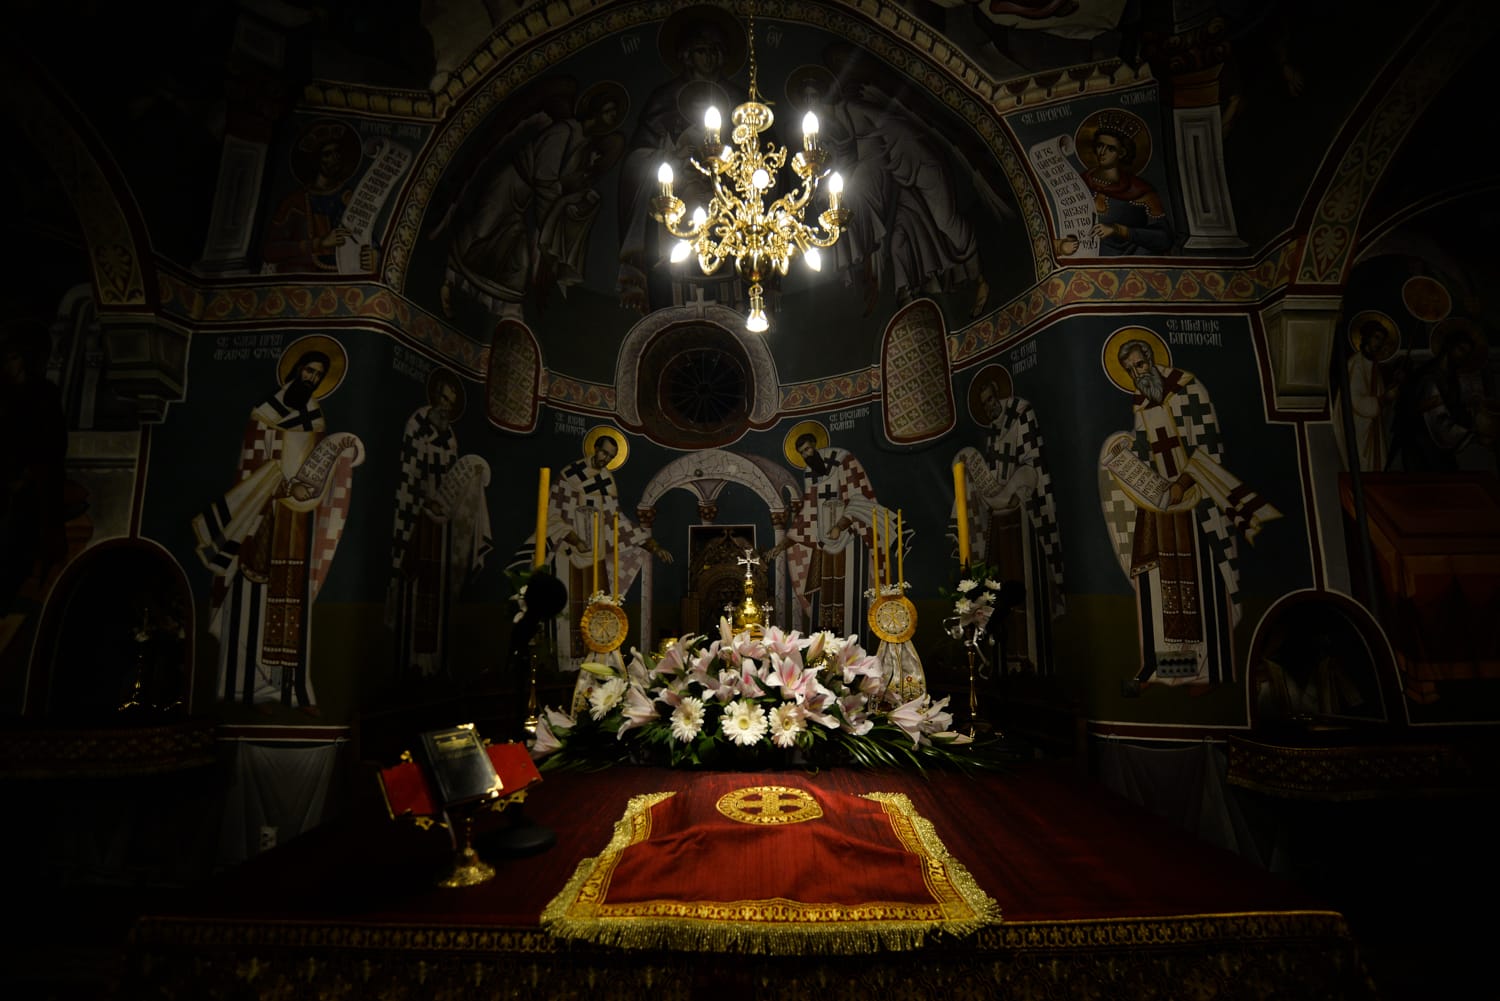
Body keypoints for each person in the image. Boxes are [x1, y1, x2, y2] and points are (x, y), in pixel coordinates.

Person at [1097, 331, 1280, 690]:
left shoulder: (1188, 389)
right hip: (1162, 506)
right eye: (1131, 370)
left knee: (1203, 583)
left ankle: (1210, 670)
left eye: (1140, 365)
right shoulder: (1142, 402)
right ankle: (1172, 668)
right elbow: (1146, 446)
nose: (1137, 374)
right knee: (1161, 585)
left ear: (1152, 360)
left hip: (1197, 503)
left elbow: (1207, 445)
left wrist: (1182, 483)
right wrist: (1125, 455)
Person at [191, 336, 365, 711]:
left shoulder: (315, 416)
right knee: (249, 600)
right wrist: (284, 487)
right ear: (296, 369)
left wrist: (336, 461)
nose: (311, 378)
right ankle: (241, 686)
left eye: (318, 375)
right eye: (308, 371)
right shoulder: (265, 412)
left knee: (290, 601)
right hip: (260, 514)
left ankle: (286, 688)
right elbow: (253, 465)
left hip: (297, 520)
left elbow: (317, 467)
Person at [433, 79, 628, 321]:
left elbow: (564, 184)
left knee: (518, 260)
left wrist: (579, 198)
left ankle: (509, 316)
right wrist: (549, 221)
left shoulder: (583, 146)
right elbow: (544, 178)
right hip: (509, 184)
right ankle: (445, 281)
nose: (611, 118)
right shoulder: (563, 130)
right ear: (596, 108)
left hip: (524, 199)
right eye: (610, 110)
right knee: (480, 230)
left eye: (615, 115)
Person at [513, 427, 672, 678]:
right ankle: (567, 668)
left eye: (610, 457)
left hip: (595, 557)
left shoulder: (606, 481)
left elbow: (616, 522)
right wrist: (575, 540)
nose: (605, 459)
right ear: (595, 448)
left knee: (598, 611)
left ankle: (596, 666)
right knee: (569, 610)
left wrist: (651, 545)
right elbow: (553, 514)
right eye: (604, 453)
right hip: (569, 557)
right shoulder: (571, 475)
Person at [615, 5, 743, 314]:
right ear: (686, 55)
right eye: (702, 50)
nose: (710, 58)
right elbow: (636, 161)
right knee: (674, 279)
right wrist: (669, 158)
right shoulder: (663, 99)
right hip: (678, 208)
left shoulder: (740, 101)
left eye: (717, 51)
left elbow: (764, 160)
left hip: (729, 207)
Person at [949, 366, 1065, 671]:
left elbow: (1031, 463)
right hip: (1000, 520)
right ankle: (1007, 660)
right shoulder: (992, 432)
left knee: (1024, 588)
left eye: (991, 399)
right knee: (998, 587)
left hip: (1025, 518)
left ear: (999, 394)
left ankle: (1030, 661)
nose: (989, 406)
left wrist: (1014, 490)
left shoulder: (1021, 415)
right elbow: (992, 473)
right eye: (984, 404)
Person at [387, 368, 492, 681]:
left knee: (438, 586)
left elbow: (451, 477)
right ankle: (409, 663)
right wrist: (425, 499)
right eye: (443, 399)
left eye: (451, 402)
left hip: (441, 522)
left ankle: (433, 663)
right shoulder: (417, 424)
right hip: (416, 516)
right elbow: (410, 470)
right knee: (414, 582)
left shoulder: (449, 436)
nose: (446, 406)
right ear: (434, 396)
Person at [763, 423, 878, 638]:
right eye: (802, 453)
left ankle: (854, 642)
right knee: (825, 596)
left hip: (851, 545)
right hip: (825, 546)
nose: (807, 455)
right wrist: (781, 546)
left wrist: (840, 525)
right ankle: (825, 646)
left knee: (850, 594)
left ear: (816, 445)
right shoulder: (811, 476)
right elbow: (806, 518)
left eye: (808, 449)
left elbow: (860, 500)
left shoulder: (843, 460)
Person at [260, 119, 375, 274]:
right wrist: (319, 243)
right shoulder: (295, 202)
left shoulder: (350, 199)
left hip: (343, 277)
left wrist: (374, 256)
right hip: (302, 277)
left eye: (337, 152)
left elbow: (369, 240)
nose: (334, 158)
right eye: (327, 154)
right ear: (316, 160)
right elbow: (270, 251)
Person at [1057, 111, 1174, 257]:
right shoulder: (1077, 185)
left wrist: (1118, 230)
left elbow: (1164, 238)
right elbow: (1061, 230)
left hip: (1129, 261)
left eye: (1110, 148)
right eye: (1100, 145)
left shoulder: (1141, 191)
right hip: (1087, 262)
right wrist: (1062, 245)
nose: (1102, 152)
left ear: (1122, 153)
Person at [1390, 319, 1495, 472]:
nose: (1463, 356)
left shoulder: (1449, 377)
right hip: (1421, 449)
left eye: (1467, 353)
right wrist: (1475, 438)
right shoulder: (1430, 379)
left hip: (1436, 446)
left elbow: (1452, 410)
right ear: (1448, 346)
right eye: (1461, 349)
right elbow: (1439, 421)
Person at [1337, 314, 1402, 472]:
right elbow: (1356, 401)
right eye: (1376, 337)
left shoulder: (1373, 365)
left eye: (1382, 340)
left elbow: (1380, 397)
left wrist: (1393, 386)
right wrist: (1384, 399)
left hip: (1373, 429)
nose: (1379, 343)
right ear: (1366, 337)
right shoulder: (1356, 364)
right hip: (1360, 429)